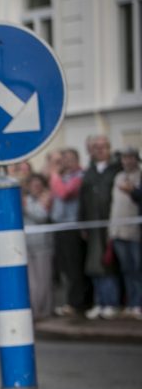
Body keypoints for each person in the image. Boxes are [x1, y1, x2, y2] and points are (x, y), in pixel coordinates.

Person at [81, 135, 122, 319]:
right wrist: (82, 224)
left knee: (109, 264)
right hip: (92, 226)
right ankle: (100, 302)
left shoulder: (116, 170)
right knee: (94, 265)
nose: (99, 150)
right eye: (95, 147)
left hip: (112, 225)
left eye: (103, 146)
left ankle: (111, 303)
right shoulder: (89, 172)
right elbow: (82, 201)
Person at [50, 148, 88, 316]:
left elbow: (65, 193)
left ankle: (77, 303)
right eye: (63, 160)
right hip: (60, 226)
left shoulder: (79, 176)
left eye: (69, 159)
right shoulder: (63, 177)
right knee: (65, 268)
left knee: (75, 267)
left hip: (72, 226)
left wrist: (54, 175)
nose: (66, 163)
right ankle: (71, 301)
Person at [111, 148, 141, 319]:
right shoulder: (118, 177)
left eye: (130, 157)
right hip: (118, 230)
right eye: (124, 158)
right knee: (126, 269)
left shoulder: (140, 176)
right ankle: (131, 303)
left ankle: (138, 303)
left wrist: (133, 191)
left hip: (136, 231)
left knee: (137, 269)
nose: (127, 161)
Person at [23, 173, 55, 319]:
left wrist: (25, 207)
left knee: (44, 279)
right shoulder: (27, 199)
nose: (36, 188)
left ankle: (45, 310)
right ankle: (35, 310)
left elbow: (41, 215)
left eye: (38, 185)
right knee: (32, 281)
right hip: (27, 244)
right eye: (33, 185)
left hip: (43, 244)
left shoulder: (47, 197)